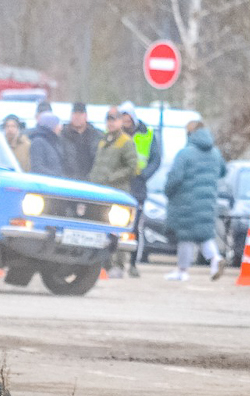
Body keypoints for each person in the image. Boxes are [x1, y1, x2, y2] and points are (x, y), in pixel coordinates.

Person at [163, 121, 225, 282]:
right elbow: (223, 171)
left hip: (186, 201)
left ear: (189, 134)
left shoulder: (185, 154)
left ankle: (183, 271)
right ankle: (215, 259)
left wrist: (168, 192)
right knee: (204, 235)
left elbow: (175, 178)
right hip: (208, 201)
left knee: (186, 237)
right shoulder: (215, 153)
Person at [89, 106, 138, 278]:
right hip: (101, 191)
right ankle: (105, 264)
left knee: (117, 229)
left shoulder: (126, 142)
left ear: (120, 122)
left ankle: (118, 265)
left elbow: (133, 167)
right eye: (108, 120)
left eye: (114, 120)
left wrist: (111, 177)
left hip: (118, 192)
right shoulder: (104, 140)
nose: (111, 123)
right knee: (103, 228)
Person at [120, 102, 161, 277]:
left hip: (137, 186)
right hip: (120, 185)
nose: (126, 122)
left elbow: (155, 159)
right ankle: (115, 263)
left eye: (128, 119)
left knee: (135, 227)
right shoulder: (115, 134)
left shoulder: (148, 134)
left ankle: (133, 263)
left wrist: (144, 175)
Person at [61, 102, 102, 181]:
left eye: (80, 114)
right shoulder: (62, 135)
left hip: (91, 182)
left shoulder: (97, 135)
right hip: (67, 181)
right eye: (75, 114)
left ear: (86, 116)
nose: (77, 117)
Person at [29, 112, 65, 177]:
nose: (60, 127)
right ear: (51, 125)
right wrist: (56, 176)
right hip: (45, 184)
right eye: (57, 124)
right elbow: (37, 168)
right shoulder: (38, 142)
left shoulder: (54, 141)